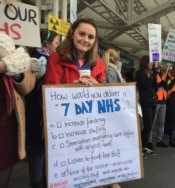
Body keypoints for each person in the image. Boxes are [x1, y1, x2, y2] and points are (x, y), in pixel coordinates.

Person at [44, 18, 106, 188]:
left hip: (90, 128)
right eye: (82, 34)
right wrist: (72, 89)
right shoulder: (56, 59)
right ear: (72, 34)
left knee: (88, 174)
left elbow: (105, 98)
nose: (86, 40)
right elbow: (50, 93)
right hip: (65, 131)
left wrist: (97, 87)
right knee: (67, 175)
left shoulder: (99, 64)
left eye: (90, 37)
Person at [0, 33, 35, 188]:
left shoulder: (17, 59)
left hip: (7, 128)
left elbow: (28, 86)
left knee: (4, 173)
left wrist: (17, 73)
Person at [25, 29, 59, 188]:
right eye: (56, 43)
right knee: (41, 147)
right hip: (40, 107)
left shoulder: (30, 57)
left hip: (34, 107)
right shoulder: (45, 60)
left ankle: (38, 181)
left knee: (37, 146)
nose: (57, 47)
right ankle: (40, 182)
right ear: (47, 43)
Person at [102, 48, 123, 188]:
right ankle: (111, 180)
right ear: (116, 60)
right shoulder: (111, 70)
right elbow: (113, 89)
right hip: (111, 113)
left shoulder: (108, 68)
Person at [136, 55, 157, 157]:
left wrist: (154, 75)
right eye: (150, 62)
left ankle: (144, 146)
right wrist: (152, 77)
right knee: (147, 126)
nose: (152, 64)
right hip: (146, 102)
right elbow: (146, 85)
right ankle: (140, 147)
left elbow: (155, 87)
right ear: (145, 63)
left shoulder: (151, 73)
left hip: (152, 101)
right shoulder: (140, 74)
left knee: (150, 126)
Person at [148, 62, 168, 148]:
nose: (161, 63)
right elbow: (154, 85)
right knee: (152, 122)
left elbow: (166, 86)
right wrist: (160, 83)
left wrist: (165, 83)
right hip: (156, 101)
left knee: (161, 122)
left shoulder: (162, 74)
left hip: (163, 101)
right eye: (159, 62)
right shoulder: (151, 73)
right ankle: (149, 141)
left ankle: (159, 139)